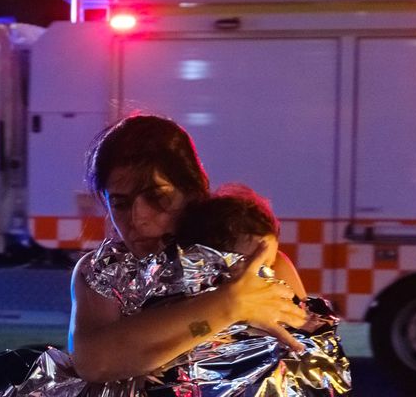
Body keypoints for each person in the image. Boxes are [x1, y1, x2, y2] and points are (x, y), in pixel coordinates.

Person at [68, 115, 309, 384]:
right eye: (121, 204)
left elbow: (305, 360)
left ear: (193, 192)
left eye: (157, 197)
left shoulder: (256, 261)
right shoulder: (100, 272)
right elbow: (95, 362)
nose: (138, 219)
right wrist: (228, 305)